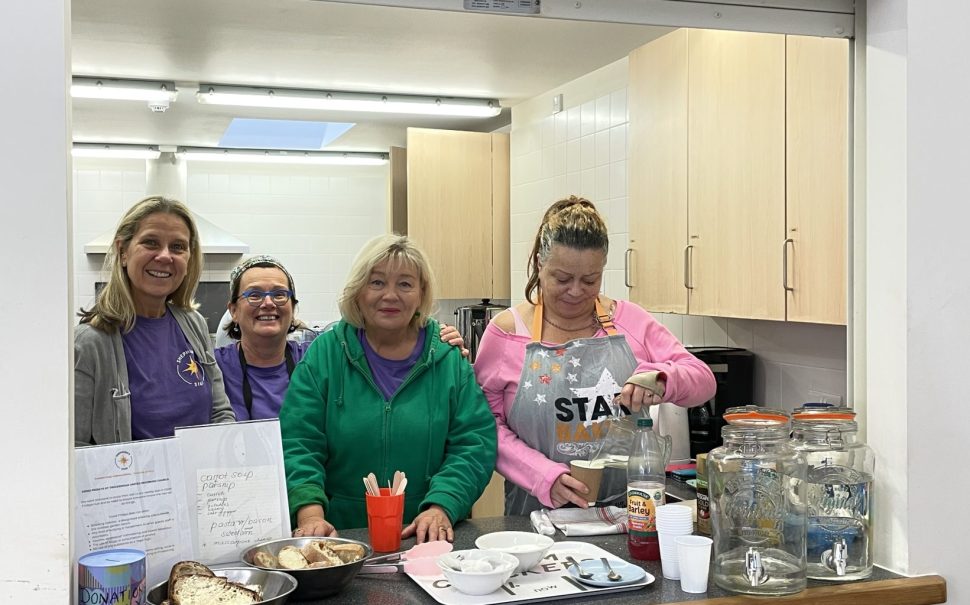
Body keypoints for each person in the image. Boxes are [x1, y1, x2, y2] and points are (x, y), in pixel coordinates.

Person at [474, 196, 717, 515]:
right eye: (562, 279)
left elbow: (703, 381)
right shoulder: (506, 333)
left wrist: (662, 379)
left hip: (628, 517)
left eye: (590, 280)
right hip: (534, 521)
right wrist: (543, 476)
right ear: (539, 265)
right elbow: (483, 426)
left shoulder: (630, 321)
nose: (576, 291)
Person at [280, 234, 497, 542]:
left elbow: (474, 444)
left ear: (421, 293)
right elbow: (299, 441)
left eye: (405, 284)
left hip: (425, 537)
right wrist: (310, 514)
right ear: (358, 290)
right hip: (339, 539)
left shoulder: (448, 359)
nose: (391, 295)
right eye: (377, 282)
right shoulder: (325, 355)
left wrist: (441, 506)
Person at [216, 255, 470, 420]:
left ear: (293, 307)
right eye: (254, 295)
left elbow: (386, 359)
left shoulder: (320, 359)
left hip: (312, 490)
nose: (268, 303)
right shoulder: (212, 369)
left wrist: (438, 343)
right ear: (233, 310)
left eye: (280, 294)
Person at [74, 196, 234, 446]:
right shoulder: (90, 342)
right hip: (130, 484)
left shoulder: (194, 324)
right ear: (123, 252)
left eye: (178, 247)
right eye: (150, 242)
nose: (165, 256)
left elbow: (220, 412)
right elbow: (75, 446)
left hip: (202, 480)